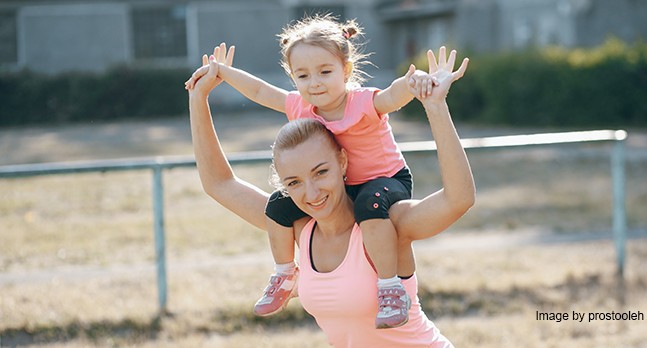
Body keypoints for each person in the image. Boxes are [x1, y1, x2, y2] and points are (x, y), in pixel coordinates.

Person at [188, 44, 473, 346]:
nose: (311, 193)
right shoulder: (301, 229)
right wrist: (198, 97)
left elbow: (459, 199)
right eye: (294, 182)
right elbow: (219, 184)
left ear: (342, 162)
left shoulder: (388, 224)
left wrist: (435, 106)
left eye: (321, 172)